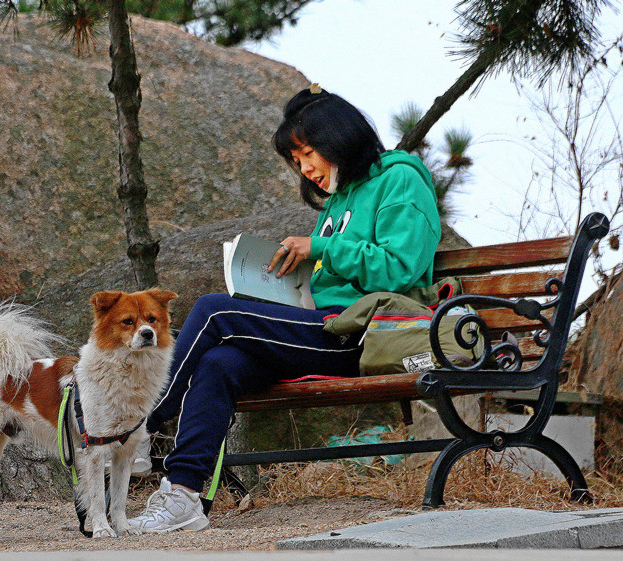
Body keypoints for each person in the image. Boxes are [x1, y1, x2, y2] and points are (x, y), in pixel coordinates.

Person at [126, 85, 441, 533]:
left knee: (216, 312)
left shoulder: (401, 179)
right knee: (218, 363)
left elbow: (398, 268)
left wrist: (321, 247)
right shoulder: (340, 199)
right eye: (296, 161)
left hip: (367, 335)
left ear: (340, 138)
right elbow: (336, 273)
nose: (305, 168)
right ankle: (183, 497)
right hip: (324, 327)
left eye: (308, 153)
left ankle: (138, 423)